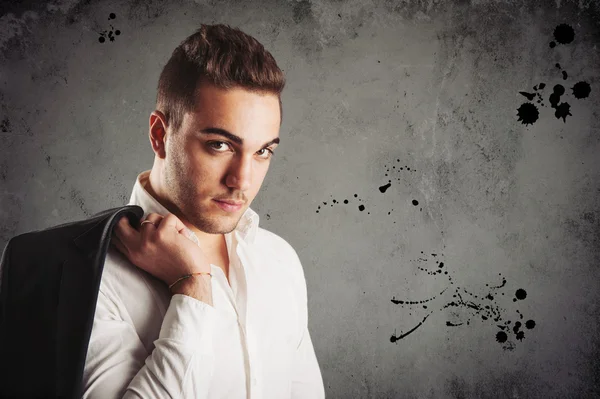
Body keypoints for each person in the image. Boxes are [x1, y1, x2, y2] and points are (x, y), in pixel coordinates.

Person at [82, 24, 325, 398]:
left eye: (263, 151)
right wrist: (192, 287)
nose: (242, 180)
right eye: (220, 145)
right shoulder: (92, 276)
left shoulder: (279, 261)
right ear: (160, 135)